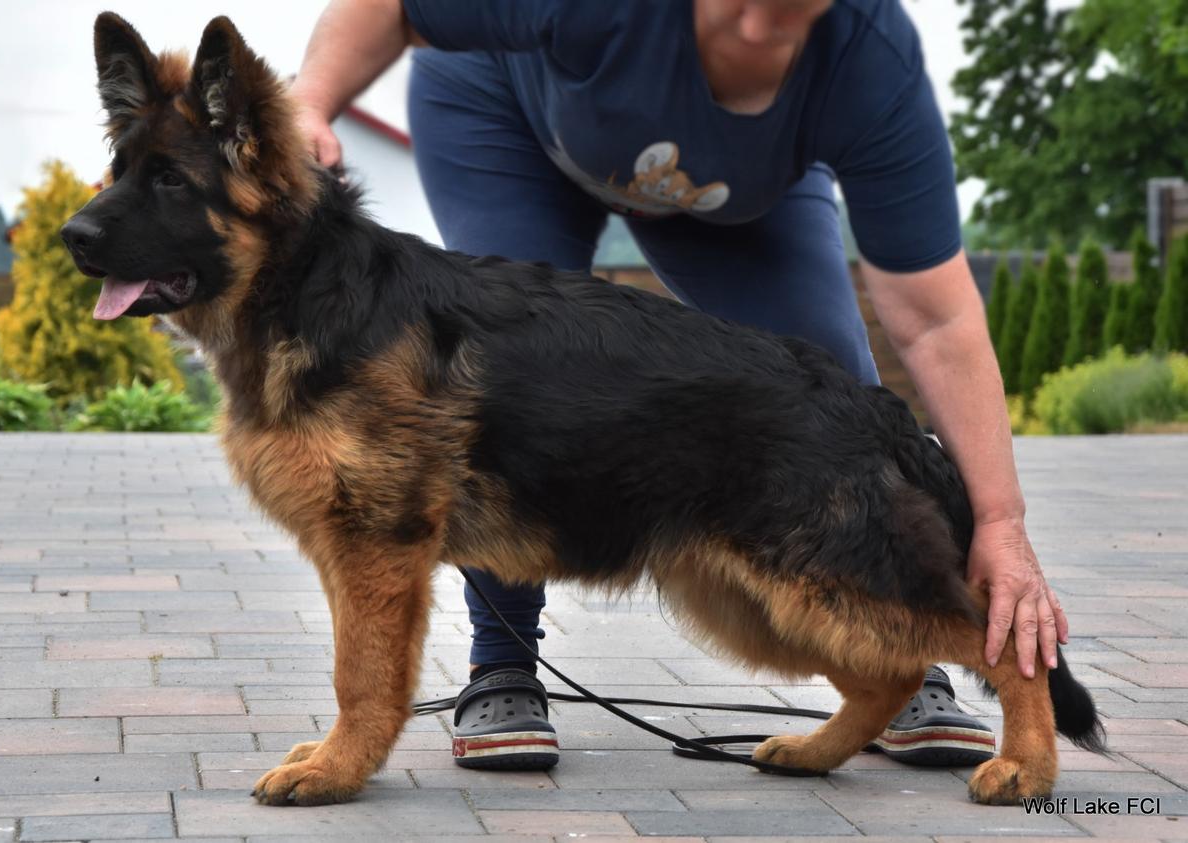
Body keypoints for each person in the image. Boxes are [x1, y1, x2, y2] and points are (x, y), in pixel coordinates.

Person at [290, 0, 1069, 771]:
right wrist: (311, 102)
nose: (767, 25)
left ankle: (895, 656)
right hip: (513, 117)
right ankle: (503, 666)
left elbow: (934, 320)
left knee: (821, 389)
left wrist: (1000, 520)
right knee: (501, 388)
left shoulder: (871, 58)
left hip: (726, 185)